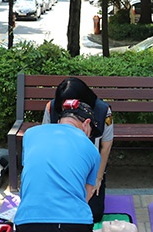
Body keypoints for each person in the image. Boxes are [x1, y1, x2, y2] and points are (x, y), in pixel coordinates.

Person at [15, 99, 101, 232]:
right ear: (86, 124)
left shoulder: (30, 134)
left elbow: (28, 174)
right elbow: (86, 196)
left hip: (29, 224)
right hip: (72, 228)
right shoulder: (92, 150)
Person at [42, 77, 111, 222]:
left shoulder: (103, 110)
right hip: (60, 168)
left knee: (94, 214)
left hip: (89, 168)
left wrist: (97, 178)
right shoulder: (51, 108)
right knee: (55, 211)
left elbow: (106, 146)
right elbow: (47, 141)